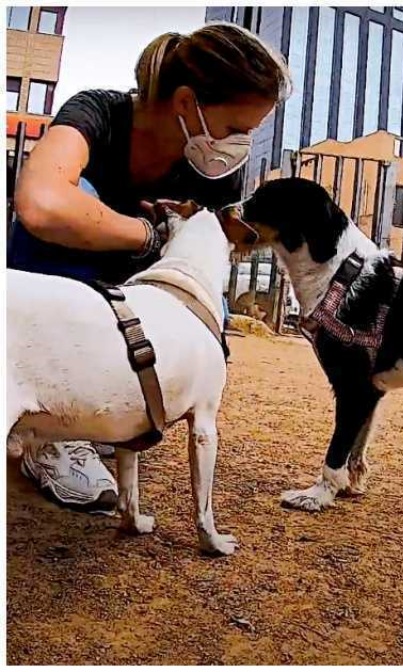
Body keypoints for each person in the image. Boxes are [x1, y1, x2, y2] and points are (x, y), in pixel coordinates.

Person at [9, 22, 289, 510]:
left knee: (210, 328)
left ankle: (112, 409)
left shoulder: (213, 168)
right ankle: (49, 431)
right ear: (185, 104)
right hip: (60, 283)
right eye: (235, 129)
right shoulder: (98, 112)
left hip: (135, 298)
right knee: (79, 198)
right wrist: (149, 236)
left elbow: (206, 266)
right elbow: (42, 205)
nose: (239, 145)